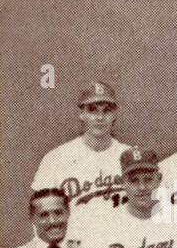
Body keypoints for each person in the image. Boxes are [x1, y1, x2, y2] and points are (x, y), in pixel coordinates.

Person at [31, 81, 129, 211]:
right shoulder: (56, 158)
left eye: (106, 111)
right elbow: (40, 212)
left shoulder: (129, 156)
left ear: (114, 114)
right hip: (75, 231)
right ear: (82, 114)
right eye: (92, 110)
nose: (100, 117)